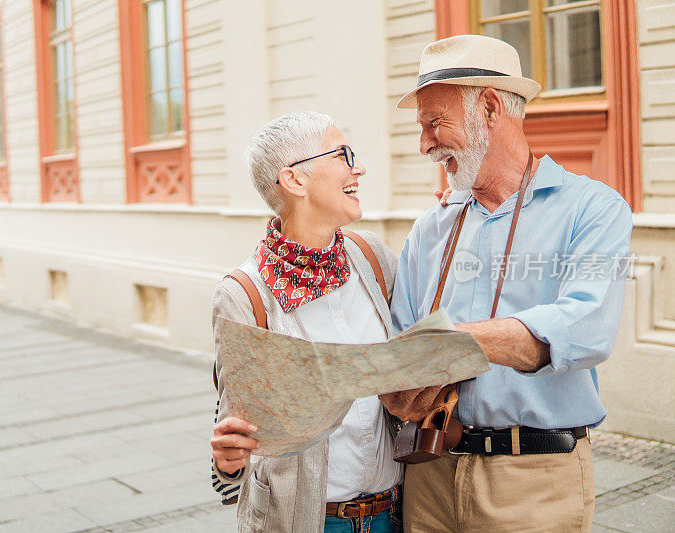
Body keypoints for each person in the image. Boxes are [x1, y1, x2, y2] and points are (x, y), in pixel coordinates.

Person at [380, 35, 633, 532]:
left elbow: (584, 328)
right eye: (422, 127)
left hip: (534, 481)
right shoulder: (430, 228)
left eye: (435, 124)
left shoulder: (594, 209)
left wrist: (453, 344)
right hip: (431, 472)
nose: (425, 144)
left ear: (490, 108)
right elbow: (400, 338)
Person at [211, 111, 404, 532]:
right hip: (308, 521)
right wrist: (228, 461)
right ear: (295, 181)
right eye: (342, 155)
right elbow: (233, 430)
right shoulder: (244, 294)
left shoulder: (370, 257)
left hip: (394, 514)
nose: (359, 168)